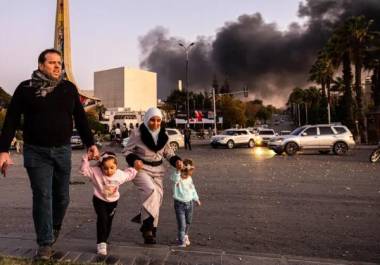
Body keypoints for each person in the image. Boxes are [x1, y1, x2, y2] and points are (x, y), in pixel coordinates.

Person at [0, 48, 99, 260]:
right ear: (41, 65)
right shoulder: (25, 89)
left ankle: (53, 227)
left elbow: (81, 119)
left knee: (62, 197)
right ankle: (45, 243)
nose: (57, 66)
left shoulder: (68, 88)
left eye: (59, 63)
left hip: (62, 151)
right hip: (36, 152)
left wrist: (91, 143)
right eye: (52, 62)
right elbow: (11, 120)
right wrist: (3, 150)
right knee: (42, 196)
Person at [123, 107, 183, 244]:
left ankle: (150, 234)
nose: (155, 124)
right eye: (152, 120)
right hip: (141, 169)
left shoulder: (164, 135)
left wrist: (177, 161)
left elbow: (168, 153)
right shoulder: (137, 133)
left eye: (158, 121)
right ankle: (146, 228)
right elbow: (126, 151)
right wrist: (134, 160)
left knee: (157, 199)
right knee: (151, 191)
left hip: (158, 170)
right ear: (146, 119)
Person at [80, 151, 141, 255]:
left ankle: (105, 239)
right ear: (101, 167)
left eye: (112, 167)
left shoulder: (119, 175)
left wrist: (136, 168)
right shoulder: (96, 172)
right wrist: (86, 159)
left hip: (113, 202)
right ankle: (101, 243)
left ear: (116, 166)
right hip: (99, 200)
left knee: (108, 221)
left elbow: (129, 175)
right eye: (105, 168)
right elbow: (84, 171)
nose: (109, 171)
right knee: (102, 219)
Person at [170, 159, 201, 247]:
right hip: (179, 204)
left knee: (188, 221)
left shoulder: (189, 178)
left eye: (187, 174)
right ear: (181, 171)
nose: (185, 176)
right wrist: (177, 170)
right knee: (182, 224)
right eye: (183, 173)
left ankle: (185, 235)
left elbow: (192, 189)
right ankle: (181, 241)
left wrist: (196, 199)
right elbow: (175, 177)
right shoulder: (177, 178)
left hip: (190, 203)